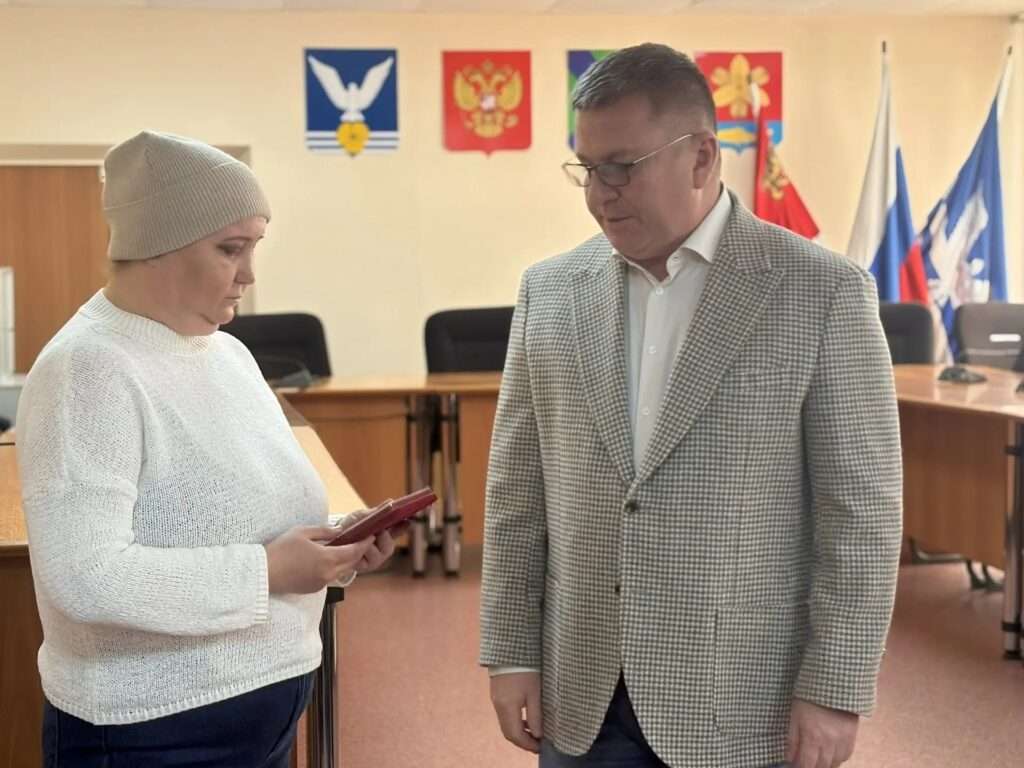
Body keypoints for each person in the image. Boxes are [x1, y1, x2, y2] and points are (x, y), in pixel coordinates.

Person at [480, 43, 902, 768]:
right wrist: (511, 650)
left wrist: (836, 686)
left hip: (744, 702)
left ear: (702, 156)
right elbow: (517, 493)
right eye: (587, 168)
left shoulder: (822, 292)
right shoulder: (547, 293)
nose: (600, 194)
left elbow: (861, 514)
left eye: (623, 167)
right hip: (581, 693)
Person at [17, 130, 399, 767]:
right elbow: (85, 577)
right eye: (230, 249)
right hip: (152, 734)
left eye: (254, 247)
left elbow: (243, 514)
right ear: (157, 246)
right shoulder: (86, 369)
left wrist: (335, 543)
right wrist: (270, 571)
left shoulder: (229, 354)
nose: (249, 274)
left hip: (264, 715)